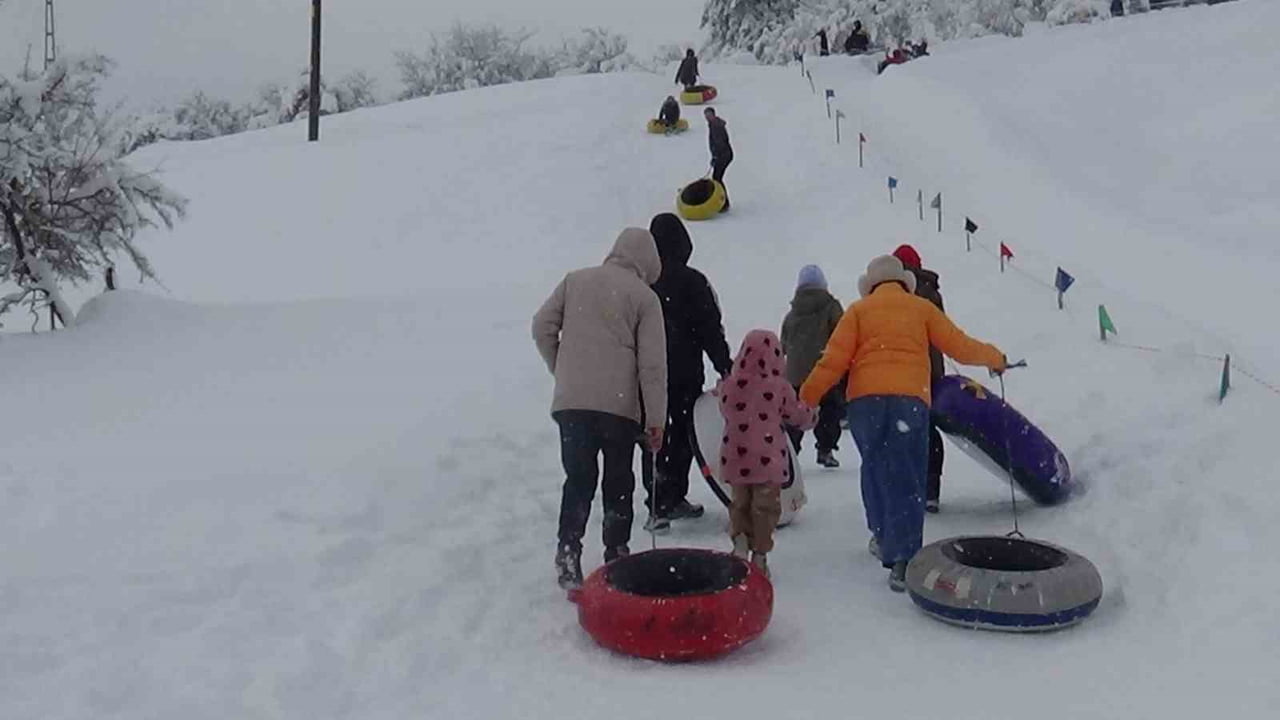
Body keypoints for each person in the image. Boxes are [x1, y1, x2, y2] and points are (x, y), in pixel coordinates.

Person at [800, 255, 1005, 592]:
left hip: (865, 403)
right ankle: (904, 559)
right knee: (908, 475)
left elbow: (832, 360)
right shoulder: (920, 308)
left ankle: (883, 537)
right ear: (903, 282)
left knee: (875, 468)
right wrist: (995, 358)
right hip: (909, 400)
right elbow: (960, 345)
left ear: (871, 286)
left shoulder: (857, 312)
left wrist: (807, 397)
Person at [532, 228, 668, 590]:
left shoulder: (575, 281)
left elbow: (541, 326)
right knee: (618, 480)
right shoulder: (644, 298)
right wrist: (656, 419)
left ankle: (568, 550)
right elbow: (652, 367)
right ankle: (617, 551)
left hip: (572, 405)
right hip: (619, 407)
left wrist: (562, 368)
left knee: (578, 479)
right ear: (648, 263)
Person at [644, 213, 734, 532]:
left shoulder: (643, 283)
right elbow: (710, 327)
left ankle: (656, 502)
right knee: (682, 434)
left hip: (648, 375)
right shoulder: (693, 280)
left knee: (653, 434)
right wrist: (725, 365)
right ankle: (672, 496)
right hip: (684, 373)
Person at [716, 330, 816, 579]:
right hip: (767, 459)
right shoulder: (779, 387)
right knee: (765, 508)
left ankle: (739, 540)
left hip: (736, 458)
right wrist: (812, 415)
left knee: (739, 503)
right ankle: (759, 555)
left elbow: (722, 405)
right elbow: (796, 416)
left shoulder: (729, 385)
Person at [892, 245, 945, 513]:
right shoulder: (931, 292)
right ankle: (931, 489)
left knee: (902, 430)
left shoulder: (897, 292)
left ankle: (907, 488)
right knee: (927, 430)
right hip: (930, 372)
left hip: (905, 373)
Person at [781, 264, 846, 468]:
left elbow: (783, 344)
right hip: (824, 370)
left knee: (796, 412)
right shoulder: (832, 307)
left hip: (795, 373)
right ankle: (825, 449)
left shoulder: (792, 314)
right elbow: (842, 335)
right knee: (829, 410)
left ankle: (790, 452)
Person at [704, 107, 734, 213]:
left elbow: (720, 143)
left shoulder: (716, 126)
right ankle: (723, 202)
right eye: (706, 115)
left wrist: (716, 156)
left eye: (709, 115)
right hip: (723, 155)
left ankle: (724, 203)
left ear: (713, 115)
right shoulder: (713, 124)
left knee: (717, 178)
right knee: (717, 178)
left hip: (724, 155)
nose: (707, 117)